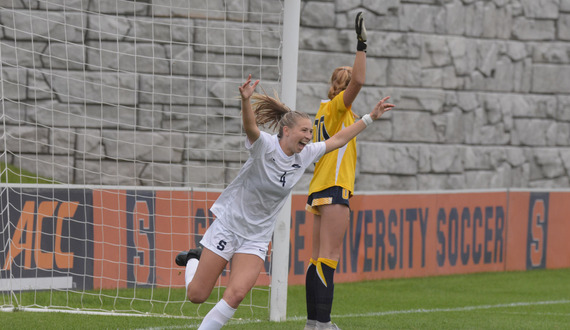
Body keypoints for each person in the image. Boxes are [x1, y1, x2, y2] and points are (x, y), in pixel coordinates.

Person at [175, 74, 394, 330]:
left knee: (235, 295)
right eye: (304, 131)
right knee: (197, 295)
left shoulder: (305, 154)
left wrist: (370, 117)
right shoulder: (265, 146)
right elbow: (250, 128)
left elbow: (338, 139)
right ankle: (194, 258)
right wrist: (246, 101)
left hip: (256, 237)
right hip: (229, 226)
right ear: (286, 131)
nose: (308, 137)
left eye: (310, 132)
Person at [304, 12, 369, 330]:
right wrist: (362, 46)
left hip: (318, 189)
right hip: (333, 188)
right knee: (328, 258)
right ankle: (324, 323)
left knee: (317, 258)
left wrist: (370, 116)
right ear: (341, 89)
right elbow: (358, 81)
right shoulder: (337, 108)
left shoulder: (323, 111)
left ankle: (313, 323)